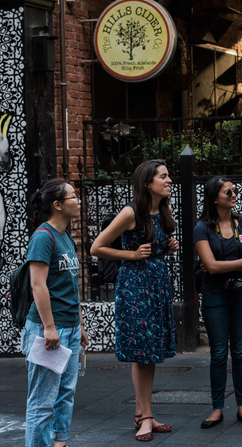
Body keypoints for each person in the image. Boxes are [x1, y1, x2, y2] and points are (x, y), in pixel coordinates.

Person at [90, 160, 179, 442]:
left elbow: (152, 248)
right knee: (141, 351)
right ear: (146, 183)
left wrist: (166, 247)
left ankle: (145, 414)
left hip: (156, 283)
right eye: (163, 177)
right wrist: (131, 255)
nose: (168, 181)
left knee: (150, 351)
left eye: (168, 176)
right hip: (135, 286)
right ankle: (145, 415)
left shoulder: (163, 210)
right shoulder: (130, 213)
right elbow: (97, 247)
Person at [22, 178, 88, 447]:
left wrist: (80, 324)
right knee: (42, 401)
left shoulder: (65, 236)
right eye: (73, 197)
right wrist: (49, 327)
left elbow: (71, 286)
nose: (79, 200)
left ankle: (59, 443)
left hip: (69, 328)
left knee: (65, 394)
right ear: (58, 205)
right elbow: (38, 286)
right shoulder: (43, 236)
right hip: (48, 330)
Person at [194, 176, 242, 428]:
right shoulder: (202, 227)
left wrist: (226, 266)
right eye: (227, 192)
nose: (233, 195)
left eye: (234, 191)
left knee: (241, 353)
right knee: (219, 353)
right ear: (214, 198)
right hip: (214, 296)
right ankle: (217, 408)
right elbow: (210, 266)